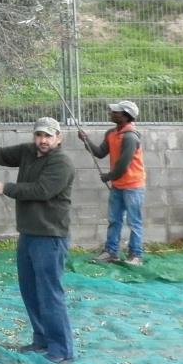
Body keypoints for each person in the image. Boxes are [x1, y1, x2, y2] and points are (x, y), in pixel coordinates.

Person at [0, 117, 75, 364]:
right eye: (39, 135)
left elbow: (42, 191)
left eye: (48, 136)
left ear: (58, 138)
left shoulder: (61, 163)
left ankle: (62, 349)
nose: (42, 140)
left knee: (50, 293)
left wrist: (6, 188)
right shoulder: (28, 152)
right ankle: (41, 340)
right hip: (29, 234)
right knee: (30, 291)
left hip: (50, 237)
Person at [78, 100, 146, 266]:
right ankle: (111, 252)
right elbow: (100, 153)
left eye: (115, 111)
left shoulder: (130, 137)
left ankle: (135, 255)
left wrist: (109, 176)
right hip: (118, 185)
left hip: (133, 186)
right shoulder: (111, 133)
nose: (111, 113)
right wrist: (86, 140)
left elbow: (123, 164)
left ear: (125, 116)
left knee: (134, 222)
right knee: (114, 220)